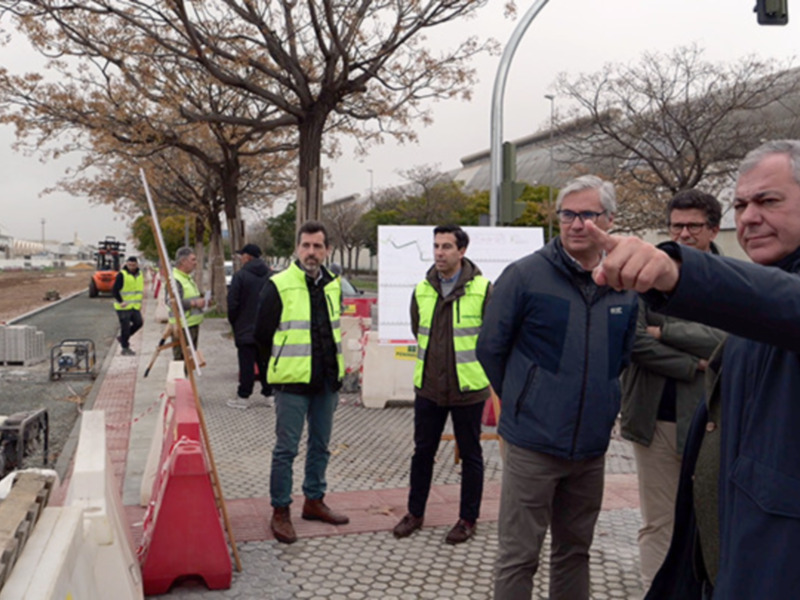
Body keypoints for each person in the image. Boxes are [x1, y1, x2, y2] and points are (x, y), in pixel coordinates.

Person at [584, 139, 800, 599]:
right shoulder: (757, 285)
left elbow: (782, 304)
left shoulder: (759, 291)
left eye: (768, 201)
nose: (749, 217)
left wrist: (674, 272)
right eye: (741, 204)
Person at [476, 174, 639, 600]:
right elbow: (491, 349)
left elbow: (621, 357)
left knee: (575, 553)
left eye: (588, 214)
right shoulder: (525, 276)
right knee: (519, 556)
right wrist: (524, 403)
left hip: (590, 449)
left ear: (609, 220)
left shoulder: (622, 284)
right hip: (532, 445)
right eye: (568, 214)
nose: (577, 223)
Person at [620, 190, 726, 589]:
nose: (682, 234)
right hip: (654, 422)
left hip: (711, 421)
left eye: (693, 226)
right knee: (659, 523)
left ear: (713, 229)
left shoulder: (730, 279)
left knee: (709, 521)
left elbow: (727, 339)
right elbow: (633, 342)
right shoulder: (643, 278)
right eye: (676, 225)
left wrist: (665, 330)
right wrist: (692, 362)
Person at [392, 225, 492, 545]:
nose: (439, 252)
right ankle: (415, 513)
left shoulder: (483, 289)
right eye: (436, 246)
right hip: (430, 389)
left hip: (468, 389)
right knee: (423, 452)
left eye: (446, 246)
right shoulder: (422, 289)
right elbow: (417, 329)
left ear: (462, 251)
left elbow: (491, 339)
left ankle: (467, 518)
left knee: (471, 456)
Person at [254, 221, 349, 544]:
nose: (311, 252)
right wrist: (271, 376)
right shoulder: (278, 284)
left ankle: (314, 500)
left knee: (320, 445)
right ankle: (281, 510)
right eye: (306, 246)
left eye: (317, 246)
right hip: (292, 383)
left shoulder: (333, 284)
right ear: (297, 248)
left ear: (326, 250)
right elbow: (261, 336)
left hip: (326, 381)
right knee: (286, 450)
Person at [226, 243, 273, 410]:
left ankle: (243, 397)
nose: (240, 258)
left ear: (248, 257)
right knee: (266, 362)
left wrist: (235, 323)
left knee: (246, 364)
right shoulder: (270, 275)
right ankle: (270, 395)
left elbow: (232, 303)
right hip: (266, 329)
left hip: (244, 328)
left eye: (242, 255)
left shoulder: (240, 276)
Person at [168, 246, 209, 362]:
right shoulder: (176, 279)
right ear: (183, 261)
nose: (196, 263)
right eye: (193, 260)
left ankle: (187, 379)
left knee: (190, 360)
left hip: (192, 324)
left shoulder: (187, 278)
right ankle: (181, 379)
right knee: (182, 360)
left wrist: (203, 301)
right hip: (182, 326)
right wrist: (195, 303)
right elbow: (173, 303)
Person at [112, 255, 144, 356]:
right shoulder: (122, 275)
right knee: (125, 328)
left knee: (139, 323)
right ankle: (125, 347)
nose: (131, 267)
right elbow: (114, 290)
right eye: (129, 265)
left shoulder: (140, 274)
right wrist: (121, 301)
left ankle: (123, 338)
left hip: (134, 306)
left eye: (133, 265)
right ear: (126, 264)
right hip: (123, 307)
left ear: (137, 265)